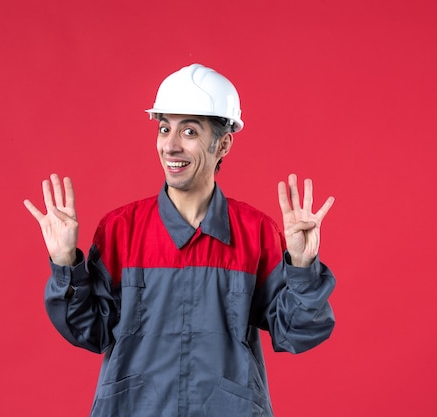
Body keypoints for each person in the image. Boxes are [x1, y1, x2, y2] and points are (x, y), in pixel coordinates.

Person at [24, 63, 336, 417]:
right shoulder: (120, 230)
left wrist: (302, 267)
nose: (170, 146)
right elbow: (91, 331)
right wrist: (66, 263)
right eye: (163, 128)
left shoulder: (256, 232)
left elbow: (296, 333)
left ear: (224, 144)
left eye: (189, 131)